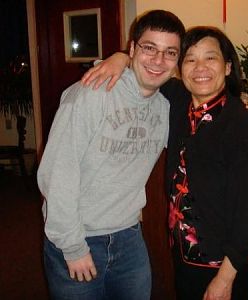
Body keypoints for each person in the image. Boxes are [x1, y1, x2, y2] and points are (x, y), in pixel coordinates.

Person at [82, 26, 248, 300]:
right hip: (184, 258)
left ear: (228, 67)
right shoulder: (179, 101)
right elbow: (146, 70)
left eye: (211, 58)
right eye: (190, 59)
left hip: (224, 265)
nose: (200, 67)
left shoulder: (244, 127)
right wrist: (119, 57)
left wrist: (225, 279)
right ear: (181, 69)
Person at [37, 10, 185, 300]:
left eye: (170, 52)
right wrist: (73, 247)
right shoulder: (91, 94)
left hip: (129, 238)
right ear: (131, 49)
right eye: (149, 48)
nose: (158, 60)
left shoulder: (165, 108)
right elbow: (57, 175)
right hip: (78, 236)